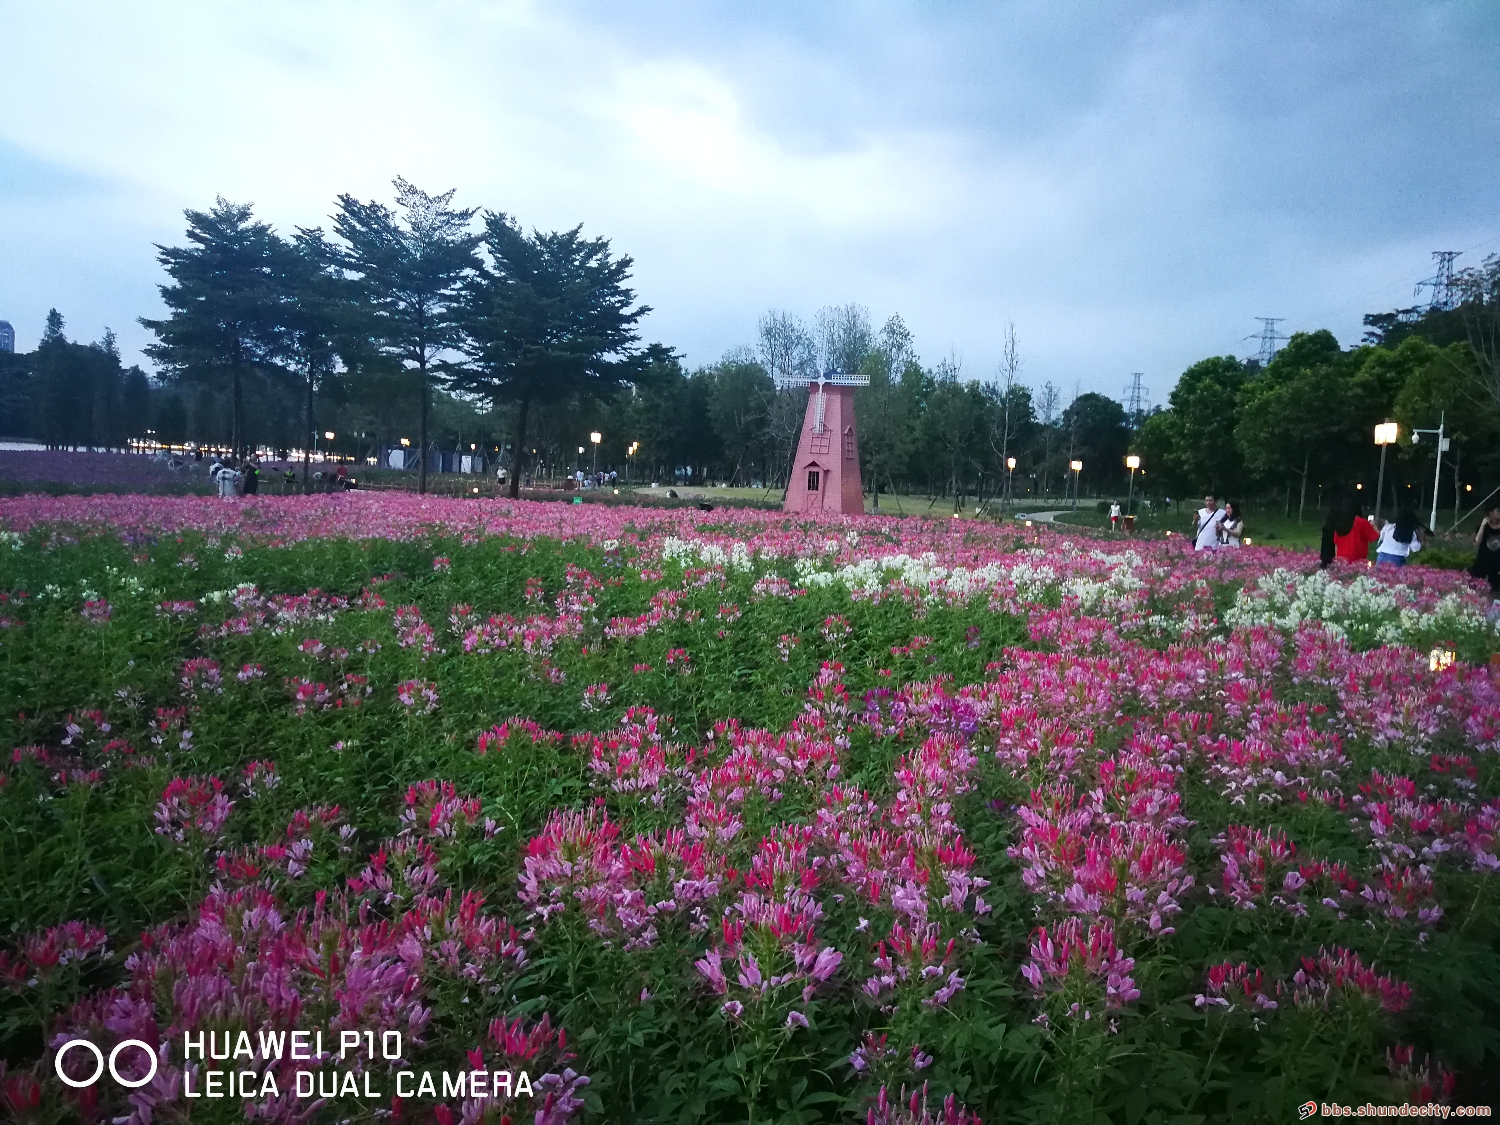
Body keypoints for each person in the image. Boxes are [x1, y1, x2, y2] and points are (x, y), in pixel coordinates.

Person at [1320, 493, 1378, 567]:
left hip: (1341, 559)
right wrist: (1374, 526)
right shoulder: (1361, 522)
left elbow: (1336, 542)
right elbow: (1375, 538)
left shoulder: (1339, 521)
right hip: (1358, 560)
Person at [1470, 503, 1500, 593]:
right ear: (1490, 513)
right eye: (1498, 511)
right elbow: (1477, 541)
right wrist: (1483, 526)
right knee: (1474, 585)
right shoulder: (1483, 526)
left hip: (1497, 562)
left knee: (1495, 588)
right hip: (1483, 559)